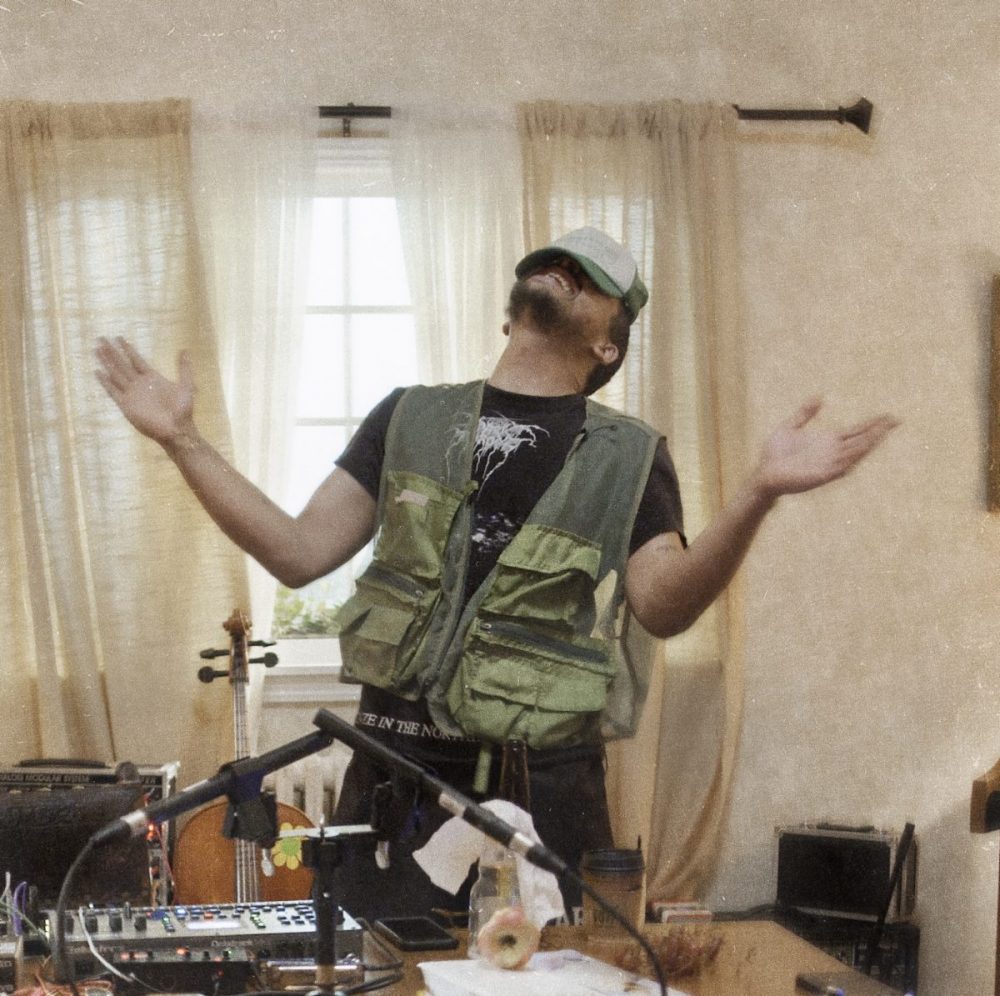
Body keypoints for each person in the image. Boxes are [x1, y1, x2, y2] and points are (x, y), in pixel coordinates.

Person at [95, 227, 898, 920]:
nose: (563, 270)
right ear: (510, 312)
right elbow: (296, 552)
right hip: (392, 791)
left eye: (590, 279)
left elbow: (661, 604)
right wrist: (181, 440)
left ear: (609, 345)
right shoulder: (406, 415)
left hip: (542, 800)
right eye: (553, 262)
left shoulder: (630, 455)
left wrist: (756, 494)